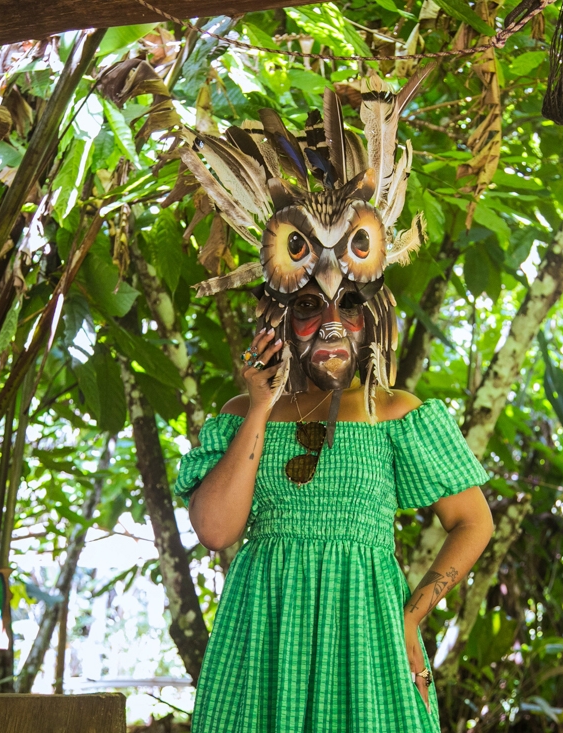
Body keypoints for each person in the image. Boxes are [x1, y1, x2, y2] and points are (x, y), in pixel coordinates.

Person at [171, 74, 494, 731]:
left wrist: (412, 613)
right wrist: (259, 406)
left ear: (373, 318)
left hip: (368, 647)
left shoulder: (395, 413)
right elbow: (214, 530)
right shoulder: (240, 416)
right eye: (311, 306)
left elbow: (474, 520)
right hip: (262, 649)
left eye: (350, 305)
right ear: (282, 317)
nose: (332, 324)